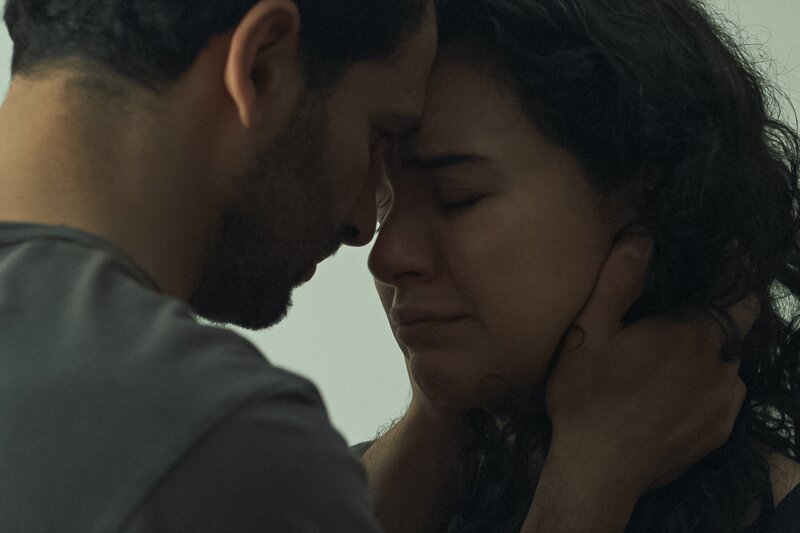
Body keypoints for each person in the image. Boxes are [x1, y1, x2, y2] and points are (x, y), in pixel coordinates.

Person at [0, 0, 754, 532]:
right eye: (374, 136)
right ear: (260, 67)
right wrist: (589, 486)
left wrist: (442, 413)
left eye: (455, 197)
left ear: (651, 199)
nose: (373, 239)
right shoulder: (212, 442)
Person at [361, 0, 800, 532]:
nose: (385, 257)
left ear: (653, 201)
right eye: (380, 205)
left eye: (457, 196)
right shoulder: (336, 492)